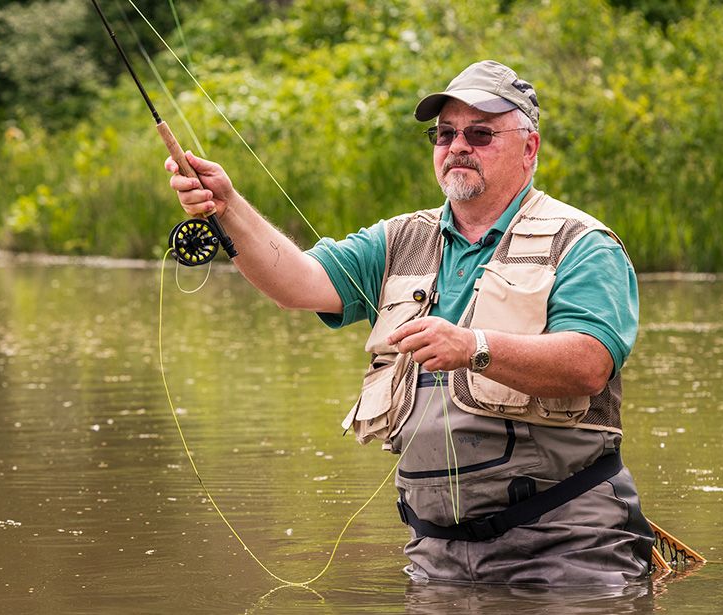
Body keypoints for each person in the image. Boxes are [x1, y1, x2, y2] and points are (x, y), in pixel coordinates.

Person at [165, 60, 653, 586]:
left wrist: (473, 346)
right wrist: (228, 205)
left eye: (480, 133)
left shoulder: (582, 244)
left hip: (568, 553)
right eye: (444, 134)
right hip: (436, 558)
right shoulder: (398, 239)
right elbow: (297, 284)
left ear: (529, 148)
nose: (458, 146)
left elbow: (588, 365)